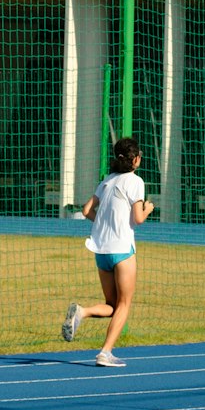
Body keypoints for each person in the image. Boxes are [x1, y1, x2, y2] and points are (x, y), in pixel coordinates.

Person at [61, 137, 154, 367]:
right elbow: (138, 218)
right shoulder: (135, 182)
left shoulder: (108, 180)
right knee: (124, 305)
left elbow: (86, 210)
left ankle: (81, 312)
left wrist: (103, 222)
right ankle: (105, 352)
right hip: (122, 250)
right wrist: (148, 208)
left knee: (112, 305)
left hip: (100, 250)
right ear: (135, 160)